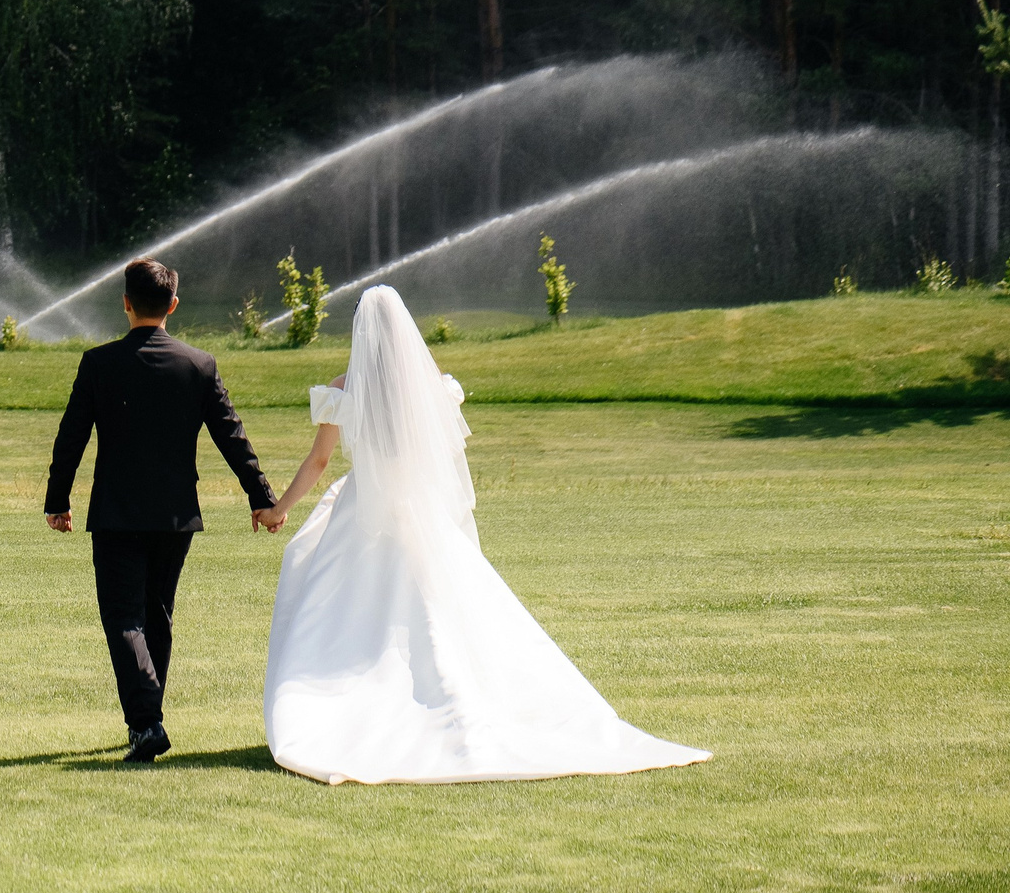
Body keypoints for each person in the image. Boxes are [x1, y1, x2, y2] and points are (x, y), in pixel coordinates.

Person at [255, 284, 711, 784]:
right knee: (433, 608)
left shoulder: (344, 388)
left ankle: (350, 702)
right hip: (419, 511)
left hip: (362, 513)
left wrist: (281, 508)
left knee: (347, 603)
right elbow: (446, 456)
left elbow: (319, 460)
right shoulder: (429, 388)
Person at [44, 259, 279, 762]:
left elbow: (72, 437)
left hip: (115, 513)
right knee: (157, 616)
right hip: (176, 515)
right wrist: (261, 497)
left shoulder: (98, 363)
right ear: (173, 305)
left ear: (125, 303)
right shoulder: (199, 364)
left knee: (124, 618)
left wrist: (57, 499)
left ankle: (147, 722)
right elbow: (231, 435)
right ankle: (146, 717)